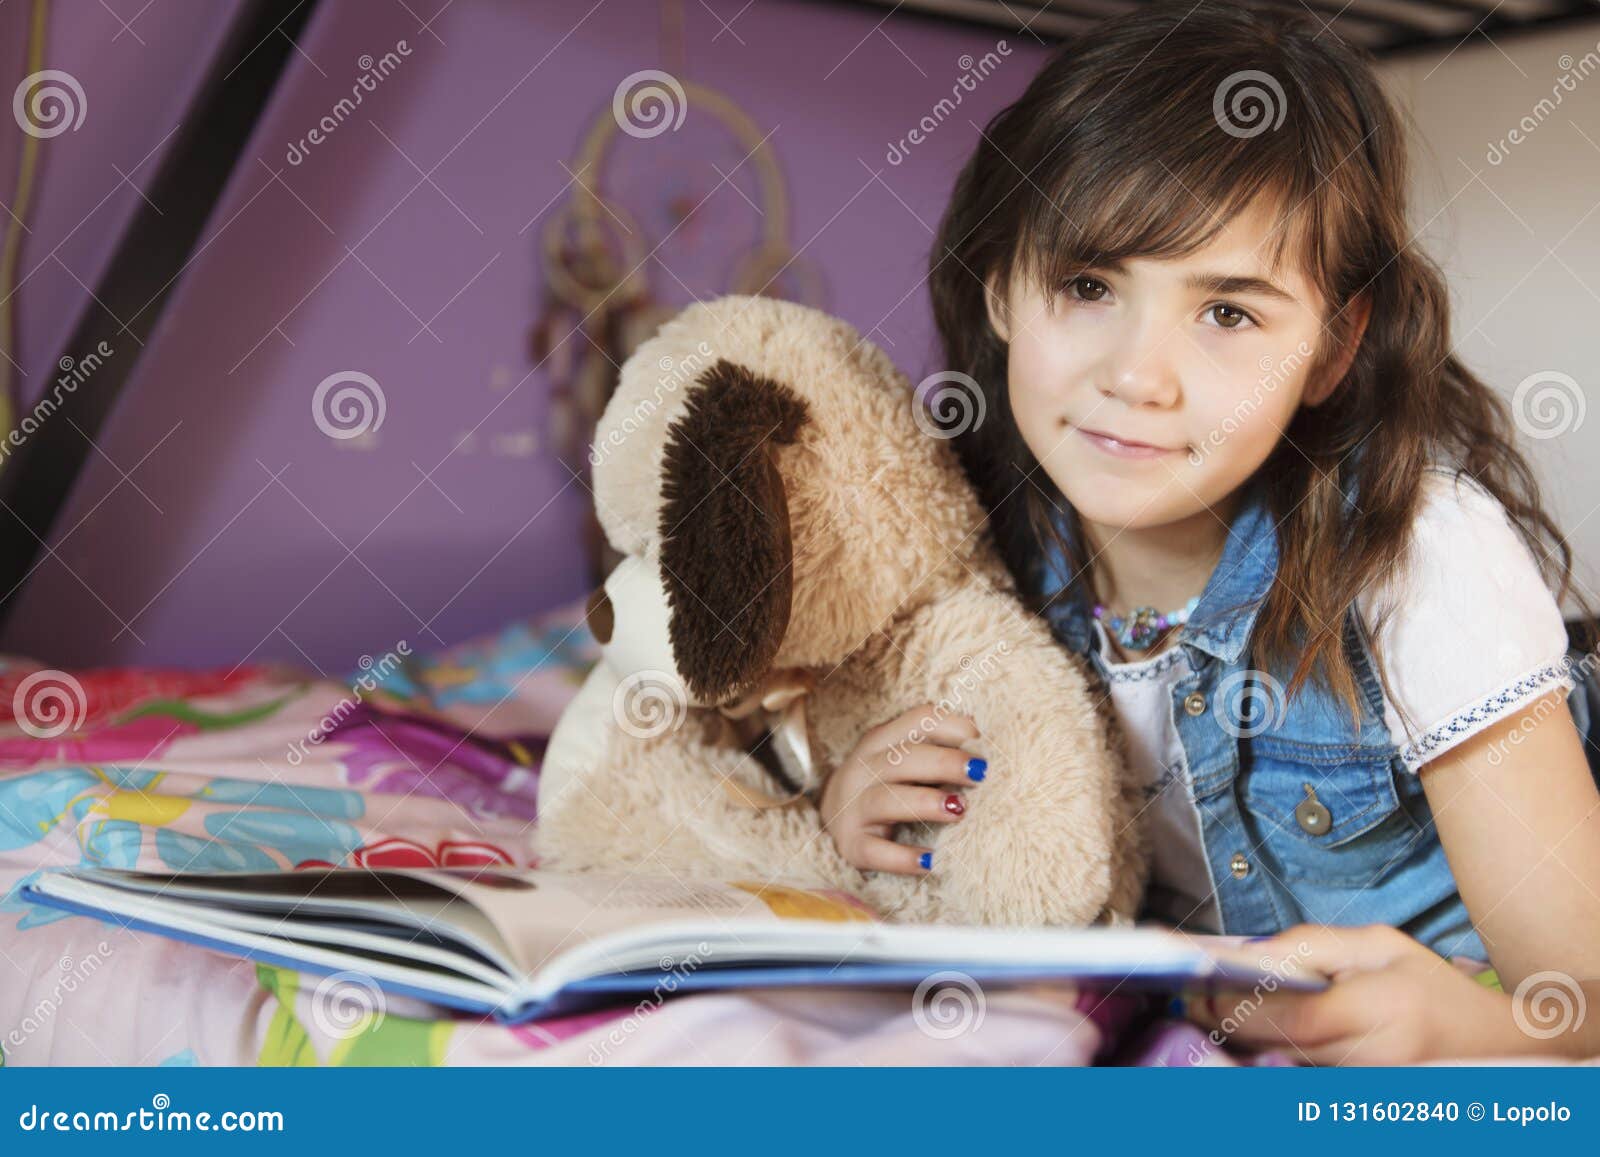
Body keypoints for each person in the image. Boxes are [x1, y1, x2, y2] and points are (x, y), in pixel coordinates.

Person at [818, 2, 1600, 1063]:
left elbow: (1580, 994)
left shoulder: (1420, 556)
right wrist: (855, 804)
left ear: (1330, 350)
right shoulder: (969, 539)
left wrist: (1470, 1028)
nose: (1136, 376)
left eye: (1228, 312)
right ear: (1002, 285)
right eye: (1088, 286)